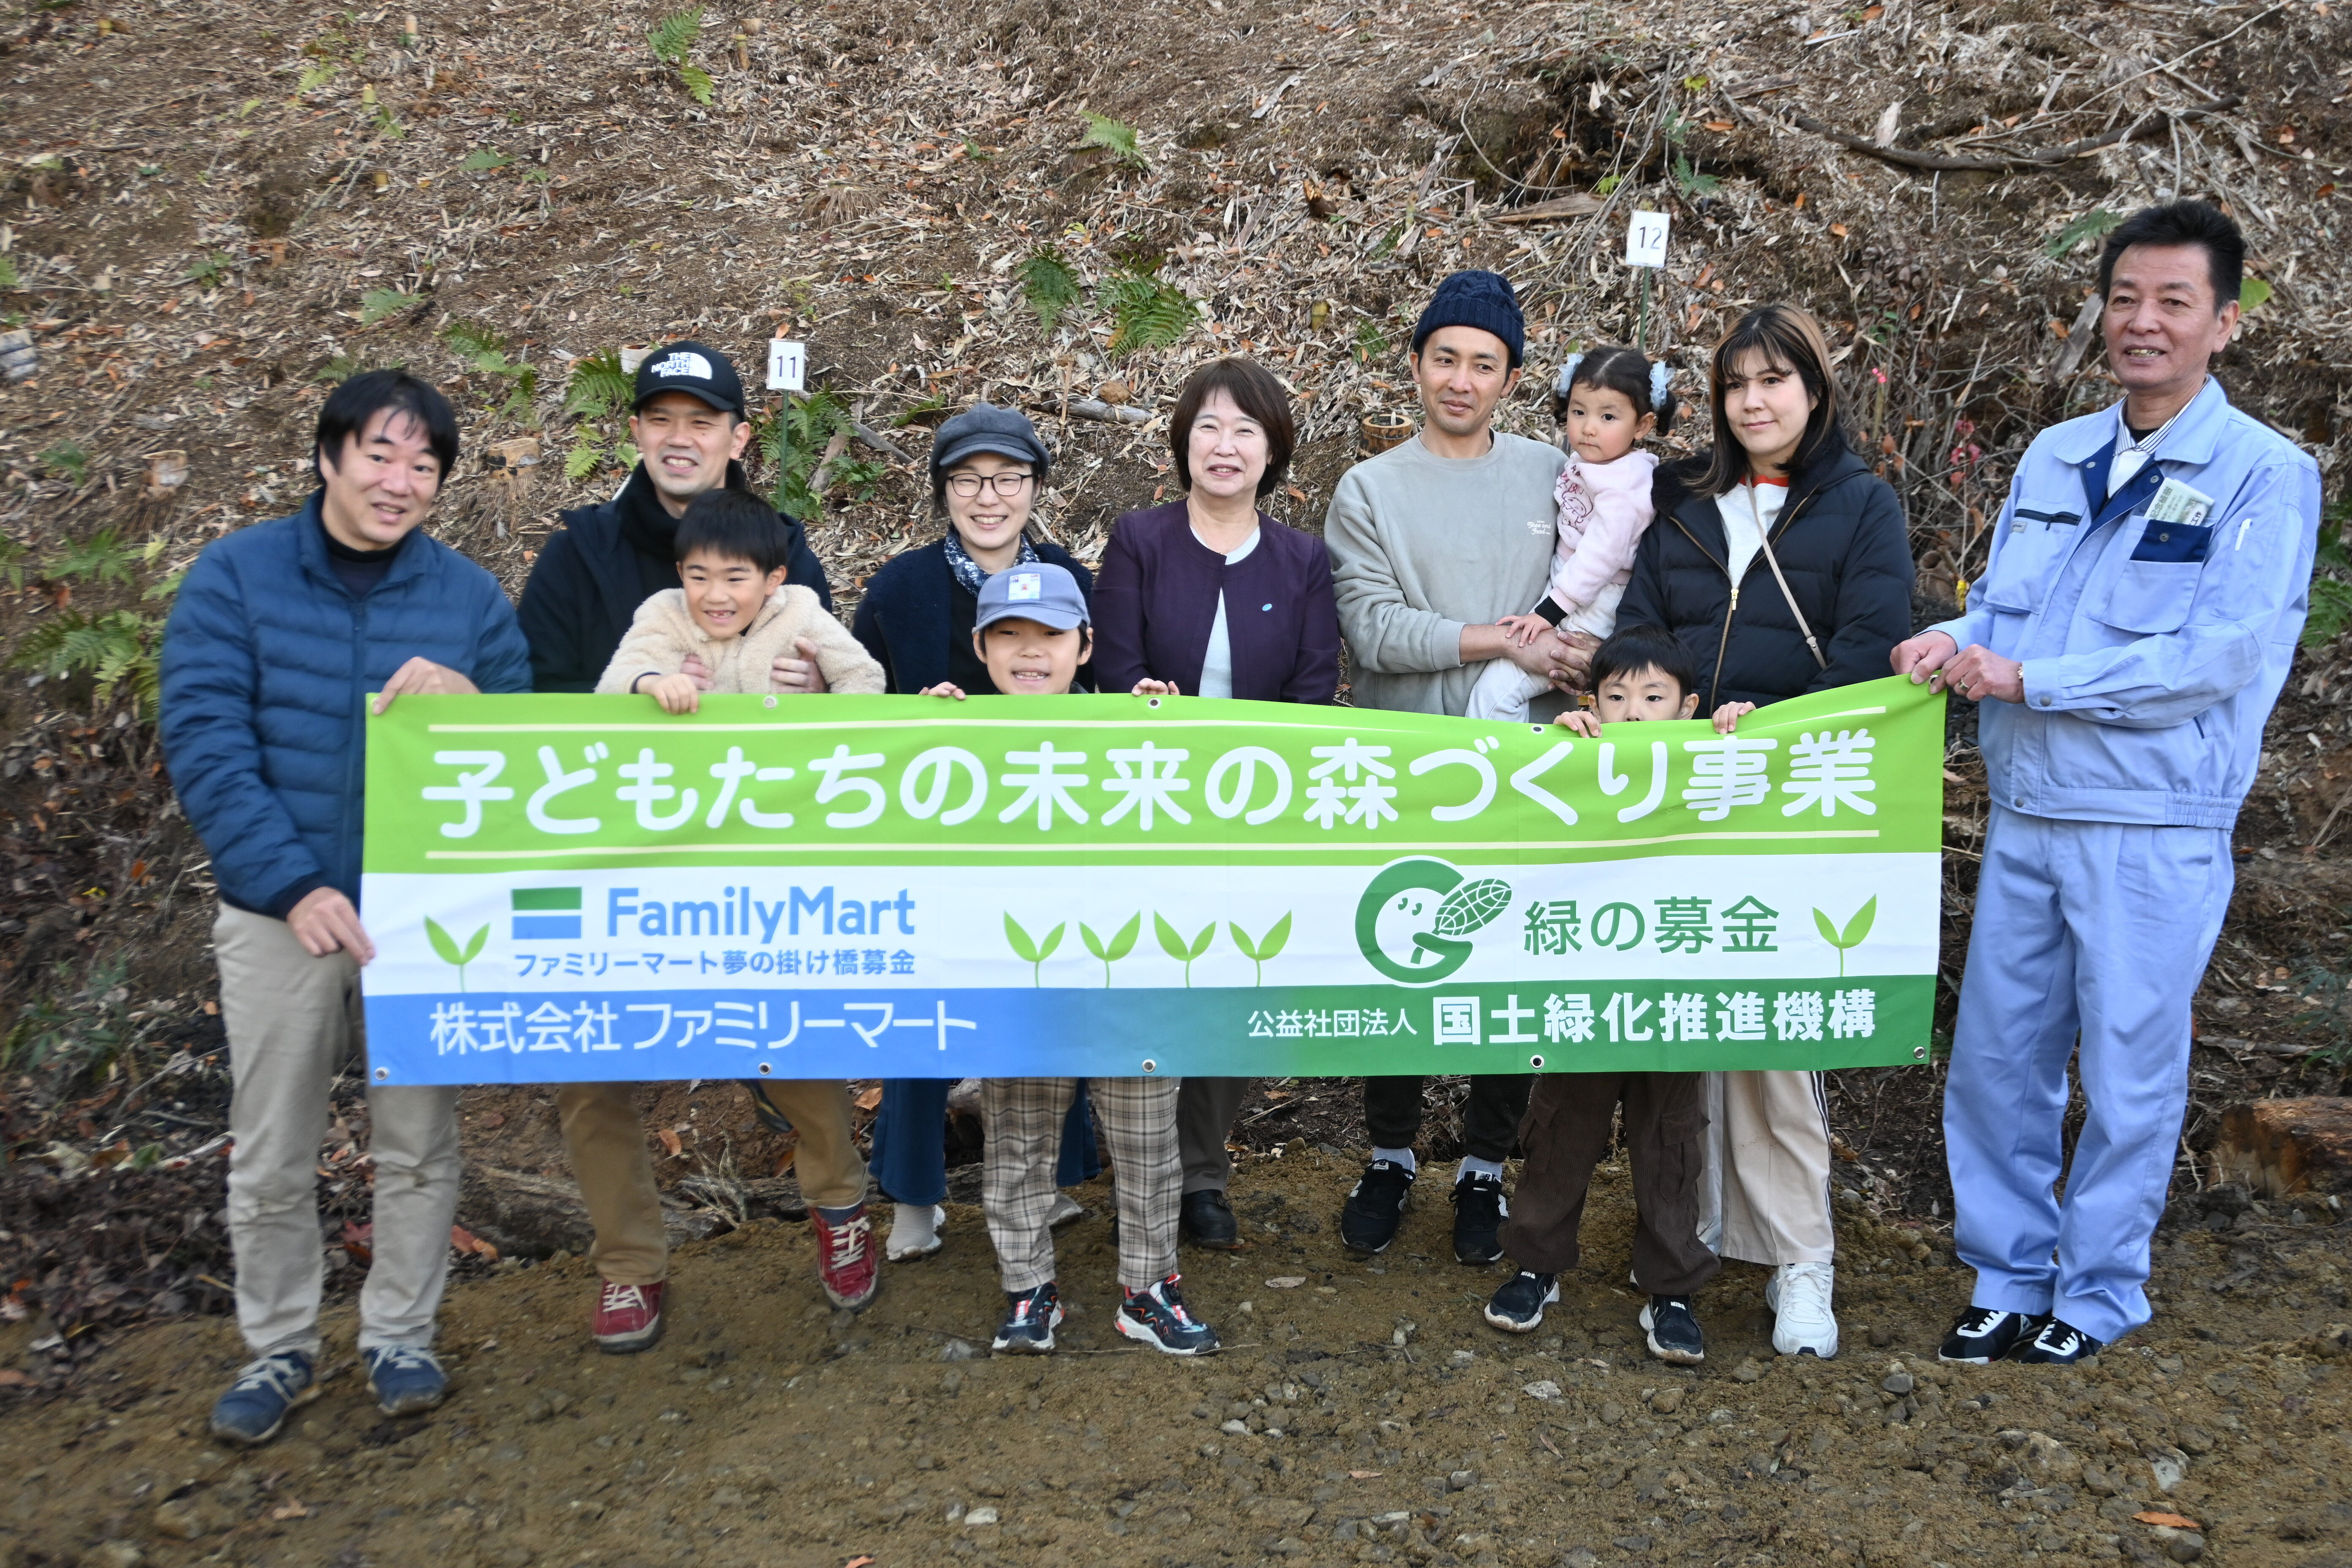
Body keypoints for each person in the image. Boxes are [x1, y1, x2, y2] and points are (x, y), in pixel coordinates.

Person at [1895, 201, 2319, 1367]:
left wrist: (2028, 679)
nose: (2143, 322)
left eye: (2174, 302)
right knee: (1997, 1063)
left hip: (2151, 822)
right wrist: (1950, 639)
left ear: (2223, 324)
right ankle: (2005, 1274)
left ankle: (2095, 1292)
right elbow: (2006, 609)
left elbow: (2218, 656)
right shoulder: (2058, 456)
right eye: (2125, 298)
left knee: (2129, 1075)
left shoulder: (2263, 475)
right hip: (2031, 809)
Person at [160, 371, 534, 1443]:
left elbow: (524, 746)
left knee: (416, 1142)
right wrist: (294, 883)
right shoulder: (236, 577)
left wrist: (472, 705)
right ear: (329, 457)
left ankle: (402, 1334)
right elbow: (207, 741)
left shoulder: (466, 597)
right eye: (380, 454)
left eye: (424, 464)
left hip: (421, 919)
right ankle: (278, 1346)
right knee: (272, 1147)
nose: (399, 481)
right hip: (278, 914)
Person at [514, 340, 851, 1353]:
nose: (680, 438)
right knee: (592, 1060)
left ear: (736, 438)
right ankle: (630, 1264)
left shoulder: (785, 549)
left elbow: (841, 684)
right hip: (612, 847)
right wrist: (636, 709)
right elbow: (535, 693)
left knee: (794, 1030)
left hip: (756, 846)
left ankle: (840, 1209)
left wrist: (815, 693)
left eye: (701, 422)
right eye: (660, 419)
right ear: (633, 432)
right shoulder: (579, 551)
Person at [1616, 302, 1915, 1360]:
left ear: (1815, 389)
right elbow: (1640, 634)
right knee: (1682, 1025)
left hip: (1790, 802)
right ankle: (1689, 1233)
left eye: (1774, 380)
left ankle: (1799, 1256)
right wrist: (1641, 711)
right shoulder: (1687, 504)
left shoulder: (1862, 505)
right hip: (1679, 801)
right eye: (1735, 383)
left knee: (1774, 1035)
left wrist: (1775, 731)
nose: (1752, 401)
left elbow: (1870, 652)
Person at [1324, 269, 1573, 1266]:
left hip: (1531, 770)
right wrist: (1496, 641)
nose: (1460, 380)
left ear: (1510, 378)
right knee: (1403, 952)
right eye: (1445, 358)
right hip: (1409, 764)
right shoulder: (1369, 489)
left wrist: (1575, 658)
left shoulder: (1556, 474)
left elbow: (1599, 588)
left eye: (1484, 363)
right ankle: (1389, 1153)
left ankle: (1483, 1164)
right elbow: (1373, 631)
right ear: (1417, 363)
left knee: (1509, 964)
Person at [920, 563, 1221, 1356]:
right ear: (980, 648)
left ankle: (1148, 1290)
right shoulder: (954, 738)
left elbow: (1200, 819)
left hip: (1130, 978)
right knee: (1017, 1140)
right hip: (1018, 983)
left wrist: (1164, 726)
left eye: (1049, 635)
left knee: (1147, 1142)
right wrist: (917, 739)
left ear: (1085, 646)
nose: (1030, 652)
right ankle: (1029, 1291)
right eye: (1009, 635)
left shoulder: (1132, 730)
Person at [1089, 357, 1341, 1250]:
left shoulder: (1302, 559)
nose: (1224, 445)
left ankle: (1200, 1173)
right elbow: (1113, 666)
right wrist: (1141, 701)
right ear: (1183, 441)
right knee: (1149, 983)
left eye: (1245, 429)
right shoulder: (1140, 539)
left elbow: (1313, 693)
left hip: (1257, 815)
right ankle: (1140, 1171)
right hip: (1152, 805)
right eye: (1208, 426)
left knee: (1235, 985)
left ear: (1272, 451)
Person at [850, 403, 1102, 1263]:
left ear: (1035, 487)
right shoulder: (900, 588)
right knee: (924, 1015)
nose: (988, 497)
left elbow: (1097, 691)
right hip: (933, 843)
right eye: (967, 479)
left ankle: (1050, 1178)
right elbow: (860, 707)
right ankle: (915, 1197)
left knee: (1047, 995)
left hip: (1047, 833)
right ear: (942, 490)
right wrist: (909, 721)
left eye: (1007, 478)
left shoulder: (1068, 577)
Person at [1481, 625, 1730, 1361]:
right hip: (1585, 986)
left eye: (1653, 697)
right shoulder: (1575, 754)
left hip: (1675, 989)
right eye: (1616, 697)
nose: (1633, 712)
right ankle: (1536, 1263)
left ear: (1687, 707)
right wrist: (1558, 745)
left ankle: (1671, 1285)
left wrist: (1746, 731)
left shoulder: (1717, 758)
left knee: (1669, 1137)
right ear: (1592, 701)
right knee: (1562, 1125)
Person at [1466, 346, 1674, 721]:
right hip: (1571, 587)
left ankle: (1495, 757)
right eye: (1579, 412)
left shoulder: (1627, 487)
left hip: (1592, 600)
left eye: (1608, 416)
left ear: (1642, 426)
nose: (1589, 427)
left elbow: (1600, 558)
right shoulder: (1597, 463)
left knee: (1497, 692)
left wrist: (1549, 612)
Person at [597, 487, 885, 708]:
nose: (715, 596)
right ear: (682, 573)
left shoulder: (801, 611)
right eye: (699, 578)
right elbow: (611, 683)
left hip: (786, 761)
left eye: (734, 579)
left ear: (772, 580)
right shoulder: (667, 614)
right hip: (696, 762)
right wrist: (649, 683)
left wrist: (830, 722)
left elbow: (862, 674)